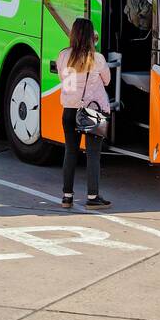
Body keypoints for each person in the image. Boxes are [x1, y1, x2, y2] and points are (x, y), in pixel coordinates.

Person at [57, 17, 112, 209]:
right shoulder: (97, 59)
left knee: (70, 152)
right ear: (91, 37)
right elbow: (107, 81)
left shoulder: (63, 55)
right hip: (92, 112)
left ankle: (67, 196)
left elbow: (61, 77)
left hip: (69, 111)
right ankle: (92, 196)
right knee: (93, 155)